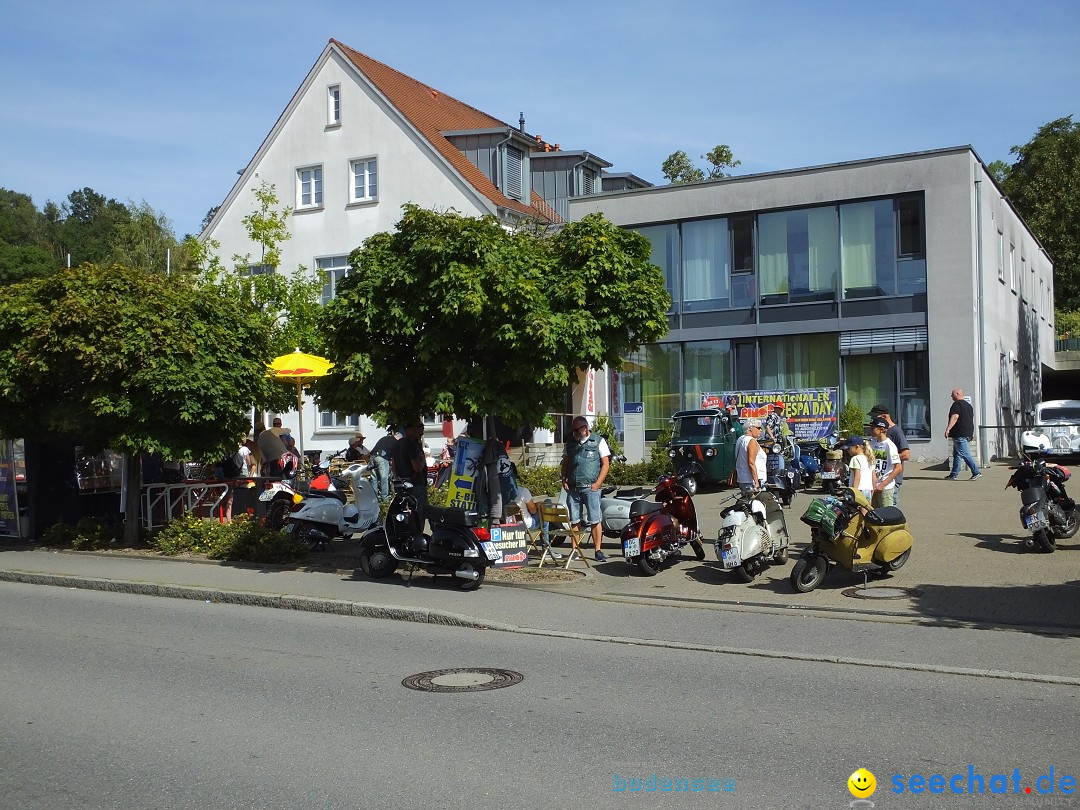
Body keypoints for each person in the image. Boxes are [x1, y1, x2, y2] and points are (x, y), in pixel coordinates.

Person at [560, 415, 611, 562]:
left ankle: (598, 550)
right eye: (574, 429)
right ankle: (575, 551)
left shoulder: (598, 441)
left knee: (595, 519)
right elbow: (565, 462)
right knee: (574, 520)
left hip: (591, 487)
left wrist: (598, 483)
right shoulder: (570, 442)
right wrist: (564, 479)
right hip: (574, 488)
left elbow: (605, 464)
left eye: (578, 429)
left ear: (586, 427)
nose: (576, 432)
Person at [868, 404, 910, 505]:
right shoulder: (874, 440)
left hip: (891, 480)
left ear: (884, 416)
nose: (873, 419)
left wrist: (888, 456)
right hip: (877, 480)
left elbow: (906, 455)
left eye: (875, 417)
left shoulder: (896, 432)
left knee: (891, 510)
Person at [394, 421, 428, 527]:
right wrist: (422, 459)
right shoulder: (410, 444)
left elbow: (393, 465)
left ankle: (408, 533)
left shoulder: (397, 444)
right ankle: (418, 535)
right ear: (409, 430)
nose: (421, 429)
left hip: (401, 483)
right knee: (419, 512)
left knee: (405, 511)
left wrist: (397, 479)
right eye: (418, 427)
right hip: (415, 483)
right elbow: (417, 467)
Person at [944, 388, 982, 480]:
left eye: (952, 394)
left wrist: (948, 429)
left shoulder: (956, 405)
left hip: (959, 433)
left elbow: (955, 416)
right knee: (957, 454)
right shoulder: (968, 406)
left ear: (957, 394)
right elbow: (971, 419)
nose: (951, 396)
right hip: (967, 433)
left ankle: (976, 472)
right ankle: (954, 474)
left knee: (964, 453)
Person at [868, 416, 902, 508]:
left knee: (886, 514)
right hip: (873, 485)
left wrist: (883, 484)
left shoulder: (889, 446)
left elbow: (898, 468)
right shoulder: (871, 443)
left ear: (882, 429)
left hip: (885, 487)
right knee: (873, 512)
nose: (870, 430)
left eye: (873, 428)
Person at [734, 418, 766, 495]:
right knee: (757, 504)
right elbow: (751, 463)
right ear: (750, 428)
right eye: (758, 428)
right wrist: (756, 482)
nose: (760, 430)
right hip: (752, 481)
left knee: (747, 503)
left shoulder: (740, 439)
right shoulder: (751, 441)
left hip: (743, 479)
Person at [370, 426, 399, 500]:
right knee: (384, 477)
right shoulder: (395, 442)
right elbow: (394, 457)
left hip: (372, 456)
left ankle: (374, 497)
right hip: (382, 458)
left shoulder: (384, 438)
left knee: (374, 478)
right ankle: (384, 498)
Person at [843, 436, 876, 500]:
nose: (847, 451)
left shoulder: (855, 459)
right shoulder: (869, 458)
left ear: (856, 447)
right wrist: (873, 490)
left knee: (856, 509)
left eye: (848, 448)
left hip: (859, 490)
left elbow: (857, 478)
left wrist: (854, 492)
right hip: (868, 489)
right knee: (867, 509)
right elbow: (873, 477)